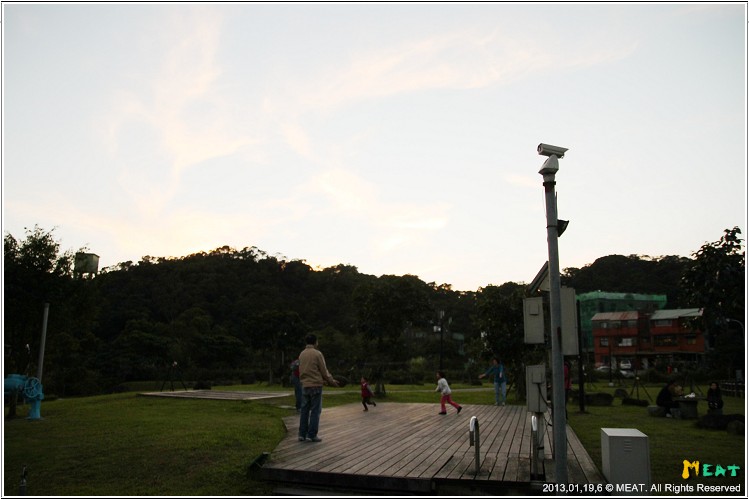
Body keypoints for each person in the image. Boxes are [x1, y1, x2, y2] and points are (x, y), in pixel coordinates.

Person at [298, 334, 339, 442]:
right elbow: (324, 371)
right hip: (316, 386)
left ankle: (302, 434)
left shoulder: (301, 354)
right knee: (315, 411)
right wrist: (332, 381)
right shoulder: (317, 354)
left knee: (304, 411)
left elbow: (303, 370)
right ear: (315, 342)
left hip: (305, 385)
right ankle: (312, 435)